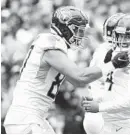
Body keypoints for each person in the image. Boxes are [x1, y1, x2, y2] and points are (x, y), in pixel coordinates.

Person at [4, 6, 117, 134]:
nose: (81, 35)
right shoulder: (51, 44)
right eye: (78, 31)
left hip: (33, 117)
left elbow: (78, 82)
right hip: (26, 117)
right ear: (66, 28)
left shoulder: (55, 47)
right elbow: (80, 76)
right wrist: (113, 64)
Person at [82, 14, 130, 134]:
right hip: (105, 122)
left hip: (125, 125)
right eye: (120, 36)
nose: (121, 41)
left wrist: (99, 106)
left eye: (128, 37)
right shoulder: (110, 52)